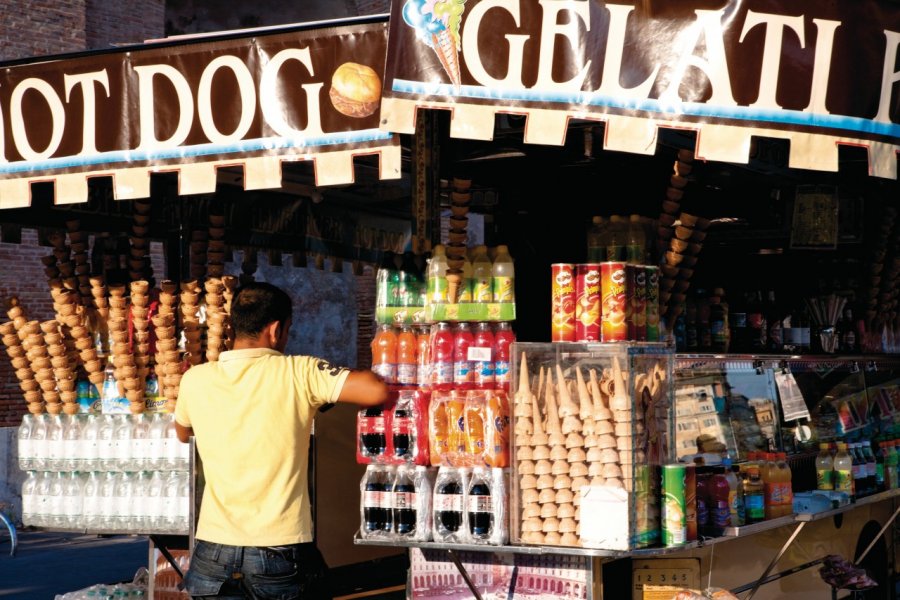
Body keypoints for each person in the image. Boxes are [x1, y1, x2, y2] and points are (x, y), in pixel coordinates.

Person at [174, 282, 389, 599]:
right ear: (276, 330)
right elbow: (375, 390)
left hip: (212, 552)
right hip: (278, 551)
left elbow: (182, 432)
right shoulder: (298, 372)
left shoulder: (196, 378)